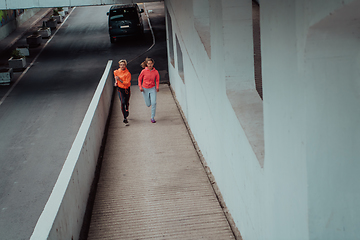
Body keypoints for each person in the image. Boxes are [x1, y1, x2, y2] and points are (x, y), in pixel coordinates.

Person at [138, 57, 160, 123]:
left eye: (151, 63)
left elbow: (157, 80)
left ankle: (152, 117)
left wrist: (157, 87)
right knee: (148, 104)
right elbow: (139, 79)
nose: (150, 65)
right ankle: (149, 99)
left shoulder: (156, 72)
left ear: (153, 64)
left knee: (154, 103)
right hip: (144, 89)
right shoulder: (143, 71)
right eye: (148, 63)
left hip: (152, 88)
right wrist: (140, 87)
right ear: (147, 64)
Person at [114, 59, 131, 125]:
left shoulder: (128, 73)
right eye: (121, 65)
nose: (122, 66)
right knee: (122, 102)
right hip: (120, 89)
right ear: (119, 65)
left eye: (123, 65)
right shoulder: (116, 71)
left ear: (125, 65)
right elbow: (116, 77)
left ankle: (127, 109)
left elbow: (127, 83)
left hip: (126, 89)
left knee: (126, 102)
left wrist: (120, 80)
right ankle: (125, 118)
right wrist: (116, 82)